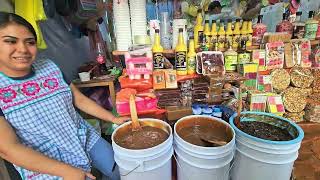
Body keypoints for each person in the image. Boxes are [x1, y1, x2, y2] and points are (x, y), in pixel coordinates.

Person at [0, 12, 129, 180]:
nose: (23, 49)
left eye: (29, 42)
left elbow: (78, 98)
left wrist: (113, 119)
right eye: (10, 41)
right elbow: (9, 149)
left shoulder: (48, 67)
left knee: (121, 170)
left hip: (82, 136)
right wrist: (66, 171)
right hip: (46, 161)